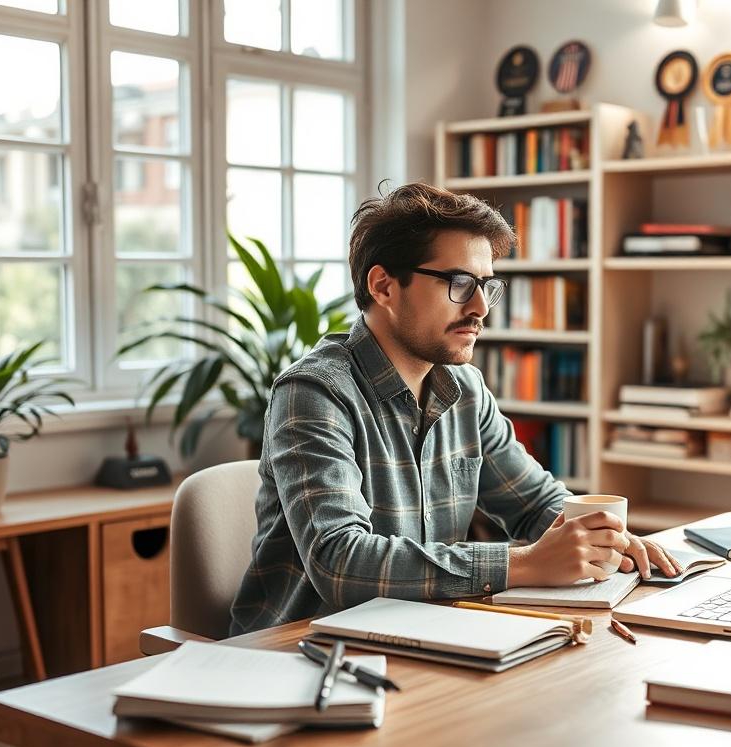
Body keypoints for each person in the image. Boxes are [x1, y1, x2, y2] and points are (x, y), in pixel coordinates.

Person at [230, 182, 680, 635]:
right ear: (384, 286)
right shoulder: (313, 393)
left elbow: (534, 503)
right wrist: (522, 563)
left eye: (487, 286)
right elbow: (340, 561)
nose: (481, 307)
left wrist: (603, 538)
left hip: (424, 638)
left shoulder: (465, 389)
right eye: (460, 284)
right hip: (300, 652)